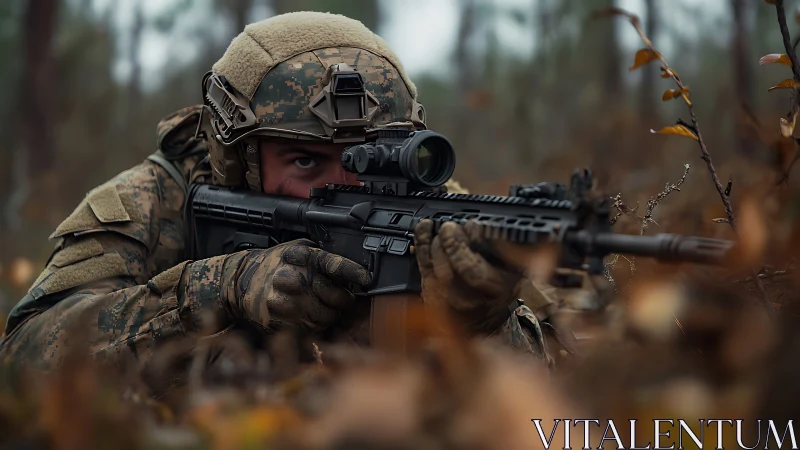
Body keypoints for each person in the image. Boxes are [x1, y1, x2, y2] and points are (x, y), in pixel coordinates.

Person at [0, 12, 570, 389]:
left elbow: (560, 398)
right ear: (238, 160)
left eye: (369, 155)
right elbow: (22, 360)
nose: (349, 187)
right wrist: (221, 288)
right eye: (306, 161)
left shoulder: (439, 217)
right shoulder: (158, 201)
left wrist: (483, 317)